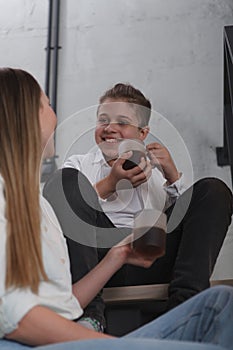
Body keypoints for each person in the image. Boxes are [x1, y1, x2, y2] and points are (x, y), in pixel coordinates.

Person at [1, 67, 233, 350]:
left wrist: (173, 175)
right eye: (102, 120)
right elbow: (16, 313)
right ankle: (91, 317)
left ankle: (184, 305)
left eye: (122, 122)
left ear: (142, 133)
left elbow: (189, 222)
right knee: (66, 181)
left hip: (137, 257)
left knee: (214, 191)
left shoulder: (155, 173)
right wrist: (110, 183)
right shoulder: (76, 168)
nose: (109, 127)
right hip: (90, 259)